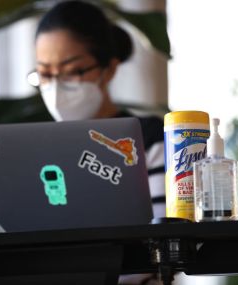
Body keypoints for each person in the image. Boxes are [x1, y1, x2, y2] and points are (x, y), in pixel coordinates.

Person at [29, 1, 165, 283]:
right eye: (45, 74)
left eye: (73, 71)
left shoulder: (148, 140)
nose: (56, 87)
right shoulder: (29, 149)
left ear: (109, 69)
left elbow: (160, 246)